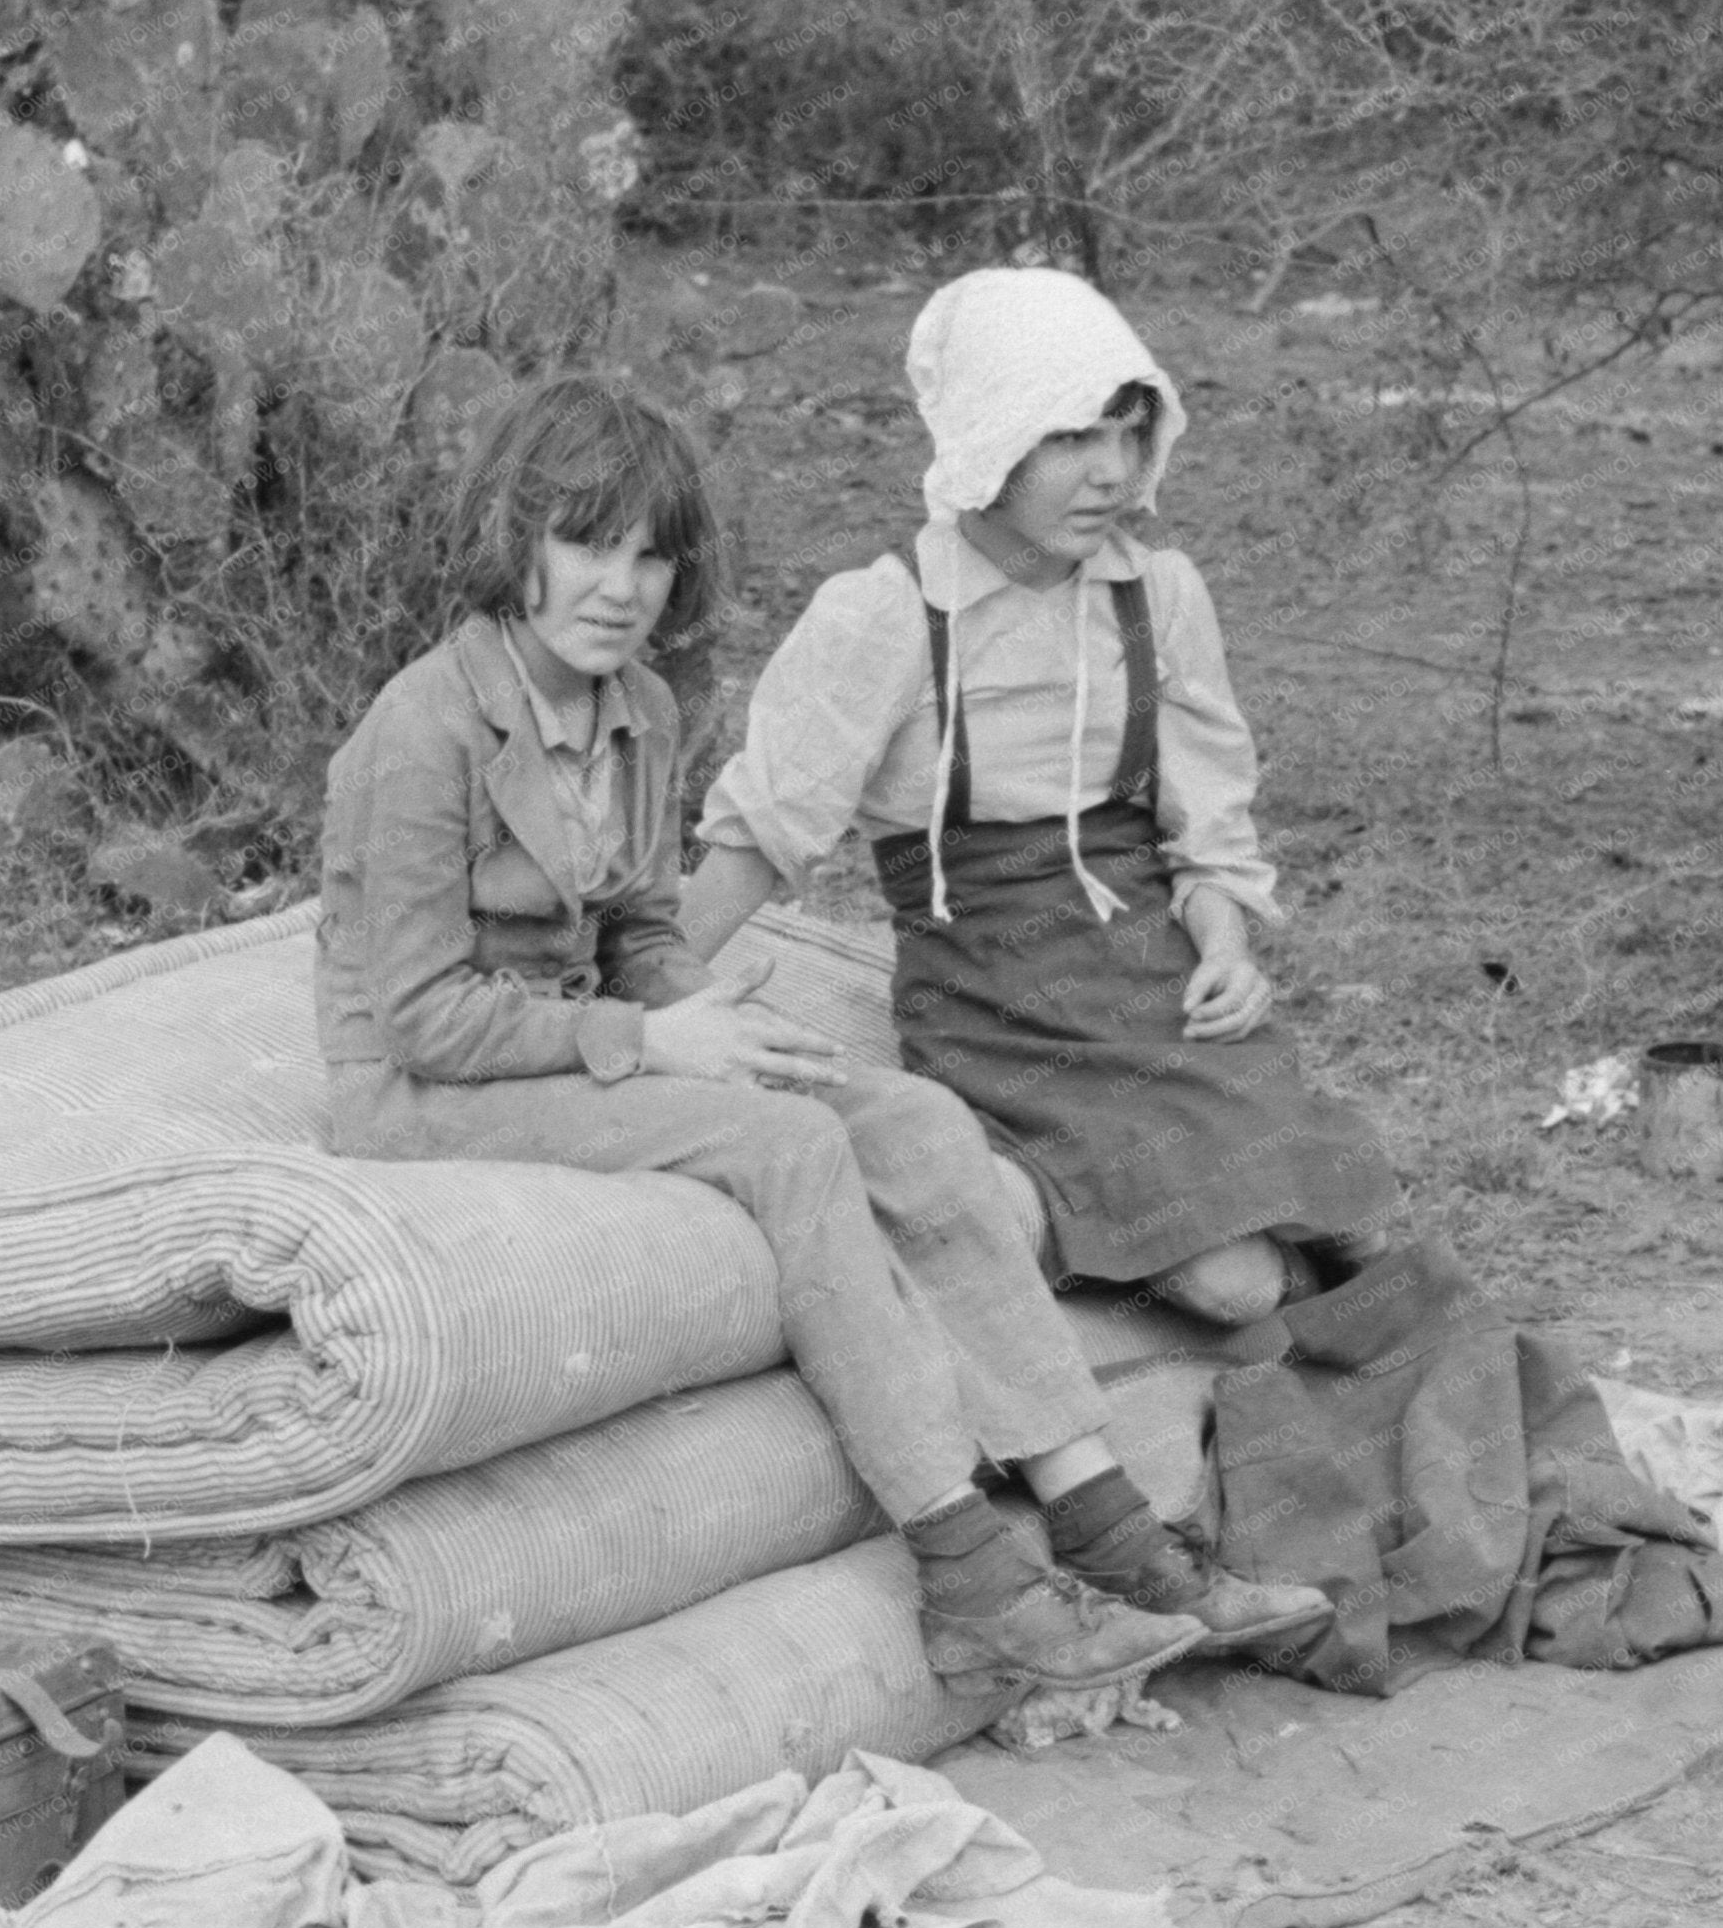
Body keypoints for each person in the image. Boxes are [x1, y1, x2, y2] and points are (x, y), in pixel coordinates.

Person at [316, 376, 1328, 1687]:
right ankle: (965, 1571)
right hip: (422, 1086)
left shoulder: (640, 711)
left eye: (649, 555)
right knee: (789, 1148)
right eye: (584, 543)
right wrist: (650, 1047)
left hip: (575, 1035)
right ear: (513, 538)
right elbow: (421, 1015)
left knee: (907, 1119)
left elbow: (632, 927)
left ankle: (1110, 1529)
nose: (619, 587)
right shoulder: (427, 722)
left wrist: (694, 1008)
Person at [677, 266, 1401, 1329]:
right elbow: (763, 831)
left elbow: (1206, 826)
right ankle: (1082, 1228)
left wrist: (1226, 947)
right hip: (992, 1004)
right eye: (1070, 438)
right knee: (1232, 1284)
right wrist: (649, 997)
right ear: (991, 434)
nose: (1109, 472)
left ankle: (1245, 1268)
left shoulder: (1158, 594)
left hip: (1151, 982)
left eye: (1126, 431)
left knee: (1356, 1225)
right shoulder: (884, 616)